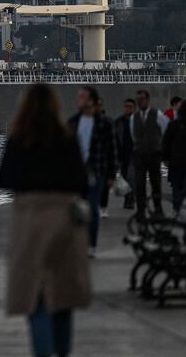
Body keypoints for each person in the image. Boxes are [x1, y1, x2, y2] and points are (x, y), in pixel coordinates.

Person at [0, 83, 90, 357]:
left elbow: (4, 178)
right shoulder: (67, 137)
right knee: (63, 296)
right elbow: (81, 180)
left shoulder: (19, 138)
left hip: (30, 220)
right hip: (63, 218)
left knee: (35, 297)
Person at [66, 86, 116, 257]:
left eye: (82, 97)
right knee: (76, 209)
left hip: (97, 172)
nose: (77, 99)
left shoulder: (105, 123)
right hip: (76, 173)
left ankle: (91, 246)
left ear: (91, 101)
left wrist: (111, 175)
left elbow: (112, 151)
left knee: (93, 209)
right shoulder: (72, 122)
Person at [132, 90, 169, 219]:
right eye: (138, 99)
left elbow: (165, 131)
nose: (139, 102)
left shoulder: (158, 115)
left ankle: (158, 208)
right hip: (139, 154)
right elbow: (133, 135)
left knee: (156, 183)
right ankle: (141, 210)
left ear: (148, 100)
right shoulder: (134, 117)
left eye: (142, 99)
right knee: (139, 184)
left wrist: (163, 151)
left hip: (154, 154)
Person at [114, 99, 137, 210]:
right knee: (125, 178)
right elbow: (115, 139)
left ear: (134, 108)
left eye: (130, 106)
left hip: (135, 154)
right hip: (123, 154)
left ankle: (130, 199)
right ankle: (128, 198)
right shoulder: (119, 121)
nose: (128, 108)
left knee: (131, 176)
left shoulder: (138, 120)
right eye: (126, 106)